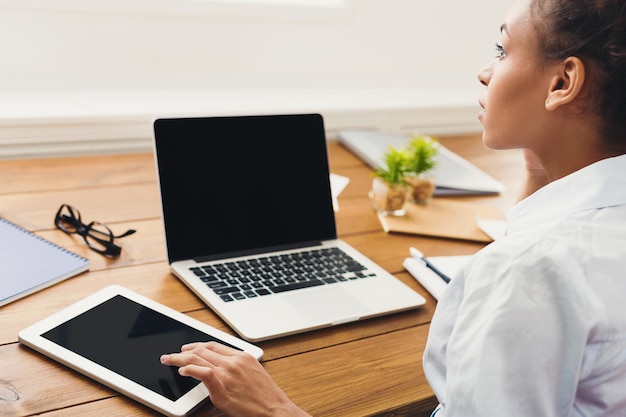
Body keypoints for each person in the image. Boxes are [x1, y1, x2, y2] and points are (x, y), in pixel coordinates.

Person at [160, 0, 626, 415]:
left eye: (502, 51)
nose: (485, 71)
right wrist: (538, 170)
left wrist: (274, 408)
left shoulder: (528, 271)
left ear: (563, 82)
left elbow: (533, 282)